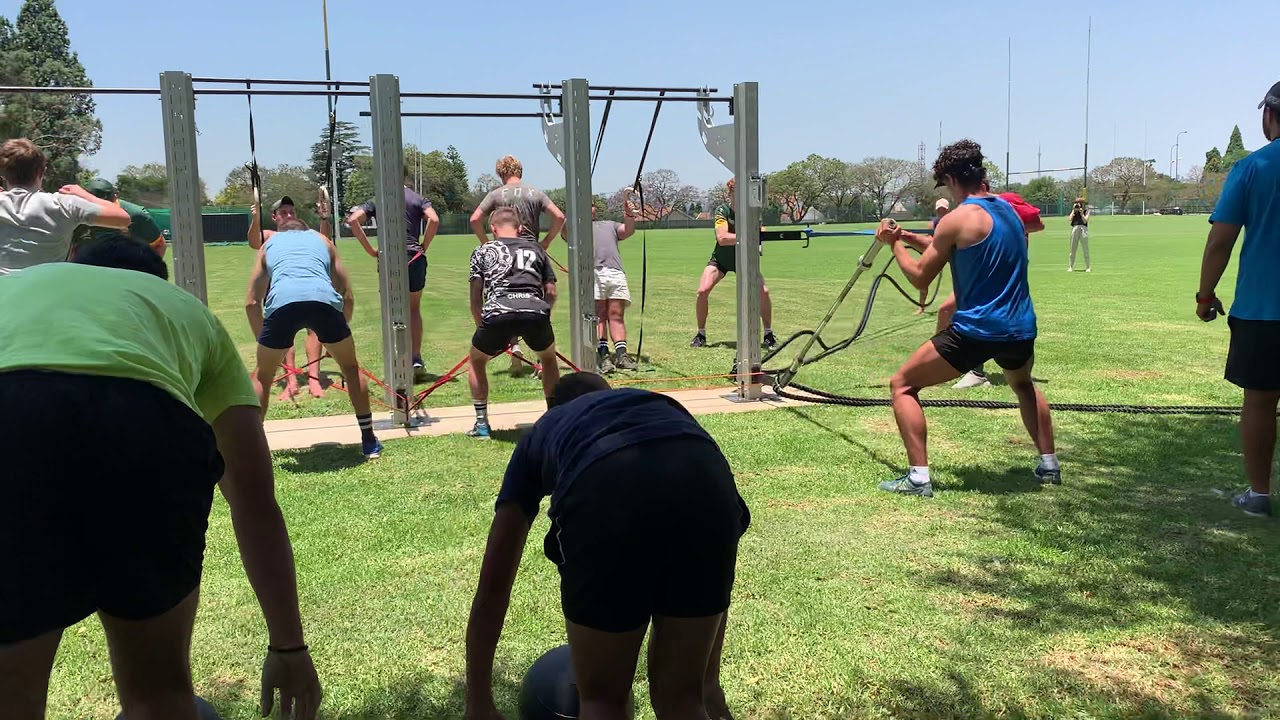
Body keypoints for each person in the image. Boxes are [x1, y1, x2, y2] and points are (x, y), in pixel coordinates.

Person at [0, 236, 322, 720]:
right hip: (143, 425)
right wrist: (289, 648)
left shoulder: (17, 286)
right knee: (161, 698)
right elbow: (252, 496)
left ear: (73, 264)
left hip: (11, 422)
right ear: (157, 281)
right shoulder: (185, 311)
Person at [464, 373, 747, 720]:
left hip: (605, 484)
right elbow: (721, 546)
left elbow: (493, 588)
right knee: (682, 700)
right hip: (707, 480)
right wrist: (705, 683)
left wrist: (478, 703)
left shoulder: (546, 427)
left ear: (550, 407)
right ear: (610, 393)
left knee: (602, 701)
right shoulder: (657, 405)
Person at [877, 139, 1058, 497]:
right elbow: (965, 248)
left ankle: (917, 478)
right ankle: (1049, 465)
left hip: (976, 331)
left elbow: (919, 277)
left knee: (903, 385)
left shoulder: (955, 219)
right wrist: (911, 236)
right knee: (1022, 385)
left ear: (950, 179)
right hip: (1020, 327)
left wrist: (894, 243)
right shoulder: (1010, 211)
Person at [1196, 80, 1280, 518]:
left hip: (1263, 308)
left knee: (1261, 401)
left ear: (1268, 115)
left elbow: (1220, 242)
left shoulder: (1251, 168)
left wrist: (1206, 293)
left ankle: (1260, 494)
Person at [246, 218, 383, 460]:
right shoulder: (323, 240)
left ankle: (252, 448)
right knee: (351, 369)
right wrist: (340, 334)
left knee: (263, 376)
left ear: (281, 231)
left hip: (282, 304)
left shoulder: (269, 244)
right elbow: (347, 294)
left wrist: (263, 341)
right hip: (324, 302)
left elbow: (251, 303)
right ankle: (369, 441)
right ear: (306, 229)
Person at [466, 207, 561, 440]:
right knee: (548, 359)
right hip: (535, 311)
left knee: (477, 361)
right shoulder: (537, 249)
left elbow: (475, 297)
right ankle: (553, 419)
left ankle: (481, 425)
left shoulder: (482, 250)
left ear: (493, 228)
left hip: (497, 312)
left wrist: (482, 325)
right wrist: (542, 313)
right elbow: (551, 290)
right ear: (520, 228)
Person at [471, 156, 566, 374]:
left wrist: (488, 245)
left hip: (503, 253)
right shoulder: (535, 193)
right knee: (537, 299)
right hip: (531, 253)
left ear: (501, 173)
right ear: (519, 170)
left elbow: (475, 219)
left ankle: (514, 346)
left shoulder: (496, 195)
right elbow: (559, 216)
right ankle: (543, 354)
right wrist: (546, 242)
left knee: (505, 297)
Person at [346, 170, 440, 381]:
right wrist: (424, 245)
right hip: (414, 256)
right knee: (413, 308)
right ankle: (415, 358)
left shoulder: (378, 200)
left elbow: (353, 221)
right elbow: (434, 220)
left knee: (391, 309)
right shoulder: (418, 199)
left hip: (388, 257)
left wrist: (371, 250)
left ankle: (395, 361)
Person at [249, 195, 337, 401]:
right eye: (283, 213)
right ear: (274, 217)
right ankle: (291, 380)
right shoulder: (270, 235)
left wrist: (324, 218)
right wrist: (255, 218)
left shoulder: (305, 232)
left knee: (314, 330)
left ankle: (314, 378)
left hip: (308, 286)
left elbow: (325, 241)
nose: (289, 215)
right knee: (283, 335)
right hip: (278, 289)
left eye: (292, 212)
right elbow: (254, 241)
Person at [0, 138, 131, 275]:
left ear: (3, 174)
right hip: (44, 290)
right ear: (41, 172)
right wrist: (85, 195)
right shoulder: (64, 204)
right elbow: (123, 219)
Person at [692, 178, 778, 350]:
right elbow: (722, 238)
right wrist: (749, 237)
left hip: (745, 260)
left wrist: (759, 236)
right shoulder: (722, 210)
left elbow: (761, 232)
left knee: (764, 292)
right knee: (702, 291)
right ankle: (700, 334)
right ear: (730, 193)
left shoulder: (752, 212)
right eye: (736, 193)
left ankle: (768, 334)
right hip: (721, 260)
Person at [585, 199, 639, 374]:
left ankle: (622, 355)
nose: (589, 208)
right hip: (593, 273)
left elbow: (628, 230)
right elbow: (564, 233)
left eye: (591, 204)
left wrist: (629, 214)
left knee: (616, 315)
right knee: (599, 315)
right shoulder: (578, 230)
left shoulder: (609, 224)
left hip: (615, 273)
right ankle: (603, 355)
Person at [71, 178, 168, 258]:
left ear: (115, 198)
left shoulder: (137, 215)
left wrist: (150, 274)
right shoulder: (76, 214)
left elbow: (159, 245)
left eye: (104, 204)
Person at [918, 198, 952, 315]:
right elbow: (930, 240)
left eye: (943, 209)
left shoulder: (954, 221)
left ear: (947, 209)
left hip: (953, 253)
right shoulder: (933, 223)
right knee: (924, 278)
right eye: (939, 209)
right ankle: (921, 307)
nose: (941, 212)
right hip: (938, 252)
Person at [1068, 196, 1091, 272]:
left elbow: (1085, 221)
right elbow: (1070, 219)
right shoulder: (1074, 210)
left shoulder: (1087, 210)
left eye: (1081, 203)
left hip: (1083, 228)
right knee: (1072, 248)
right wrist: (1074, 211)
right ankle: (1070, 266)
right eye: (1078, 203)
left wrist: (1082, 214)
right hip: (1075, 228)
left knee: (1085, 249)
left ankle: (1088, 267)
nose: (1079, 204)